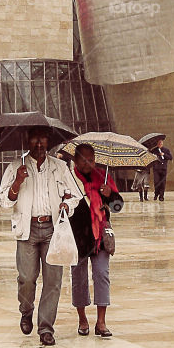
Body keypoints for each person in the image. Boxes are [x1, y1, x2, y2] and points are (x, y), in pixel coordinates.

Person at [0, 129, 76, 346]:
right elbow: (3, 200)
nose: (39, 143)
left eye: (43, 138)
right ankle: (26, 309)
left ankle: (46, 328)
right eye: (35, 138)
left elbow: (75, 196)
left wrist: (66, 204)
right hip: (27, 230)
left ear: (49, 141)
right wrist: (17, 183)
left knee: (53, 281)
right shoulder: (15, 167)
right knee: (27, 278)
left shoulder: (60, 167)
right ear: (27, 140)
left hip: (52, 229)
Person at [67, 143, 119, 337]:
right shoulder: (70, 179)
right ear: (75, 160)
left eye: (91, 159)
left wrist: (110, 195)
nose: (88, 163)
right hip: (77, 236)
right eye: (83, 159)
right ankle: (82, 318)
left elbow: (117, 206)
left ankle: (101, 321)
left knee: (101, 274)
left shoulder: (103, 177)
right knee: (78, 278)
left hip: (100, 237)